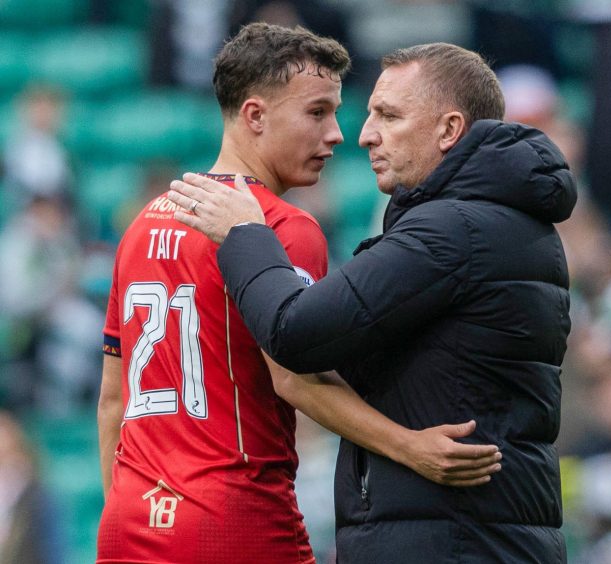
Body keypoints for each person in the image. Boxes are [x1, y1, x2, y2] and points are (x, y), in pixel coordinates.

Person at [97, 24, 501, 564]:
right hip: (233, 514)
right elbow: (296, 379)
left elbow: (113, 400)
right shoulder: (282, 228)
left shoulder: (141, 225)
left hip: (129, 521)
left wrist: (125, 513)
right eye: (316, 113)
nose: (337, 134)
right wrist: (412, 448)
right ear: (255, 116)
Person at [168, 42, 577, 562]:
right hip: (477, 534)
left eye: (389, 115)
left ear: (449, 130)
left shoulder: (453, 230)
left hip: (450, 541)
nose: (364, 135)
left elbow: (297, 333)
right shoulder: (500, 222)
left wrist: (247, 232)